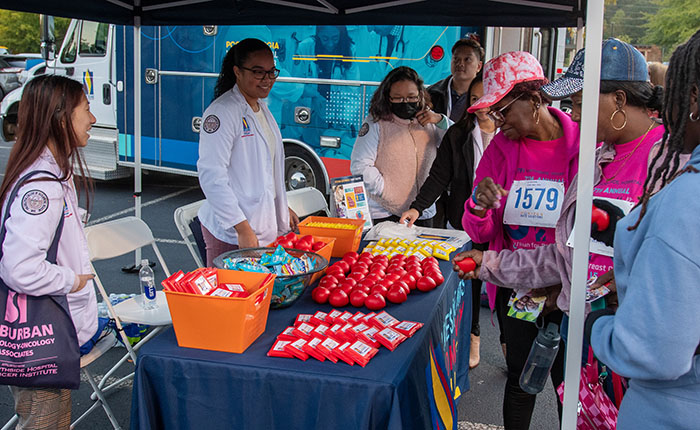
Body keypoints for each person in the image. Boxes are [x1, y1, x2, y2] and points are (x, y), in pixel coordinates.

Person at [459, 51, 581, 429]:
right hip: (516, 286)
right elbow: (479, 232)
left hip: (568, 287)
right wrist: (479, 209)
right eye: (491, 113)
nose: (496, 121)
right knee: (522, 380)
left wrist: (559, 283)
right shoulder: (499, 151)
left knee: (569, 385)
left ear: (533, 99)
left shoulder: (582, 148)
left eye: (502, 110)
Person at [586, 30, 700, 429]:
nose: (575, 113)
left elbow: (654, 350)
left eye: (583, 101)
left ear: (694, 98)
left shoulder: (682, 192)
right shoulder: (594, 157)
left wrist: (600, 328)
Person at [0, 75, 98, 429]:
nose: (93, 119)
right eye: (86, 109)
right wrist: (72, 280)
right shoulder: (42, 185)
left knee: (56, 421)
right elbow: (19, 268)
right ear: (60, 119)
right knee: (44, 422)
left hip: (54, 330)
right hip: (43, 332)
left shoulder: (55, 172)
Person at [399, 75, 496, 368]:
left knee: (506, 289)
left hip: (505, 226)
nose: (481, 105)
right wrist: (417, 208)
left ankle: (509, 344)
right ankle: (472, 337)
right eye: (475, 98)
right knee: (470, 282)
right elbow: (439, 176)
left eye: (487, 97)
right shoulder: (459, 134)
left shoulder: (511, 131)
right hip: (466, 220)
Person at [197, 38, 297, 266]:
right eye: (258, 72)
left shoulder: (260, 107)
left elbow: (264, 169)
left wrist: (281, 207)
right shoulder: (222, 112)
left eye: (272, 72)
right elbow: (212, 175)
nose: (268, 79)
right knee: (231, 295)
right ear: (237, 72)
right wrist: (241, 227)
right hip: (232, 230)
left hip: (259, 223)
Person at [350, 66, 452, 226]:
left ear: (420, 95)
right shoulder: (376, 122)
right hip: (384, 212)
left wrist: (440, 120)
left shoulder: (428, 120)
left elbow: (456, 142)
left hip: (423, 211)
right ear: (387, 97)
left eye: (411, 97)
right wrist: (386, 190)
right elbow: (360, 165)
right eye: (397, 98)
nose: (405, 103)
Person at [428, 37, 485, 122]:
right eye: (456, 59)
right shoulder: (432, 93)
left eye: (467, 59)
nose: (460, 64)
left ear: (479, 66)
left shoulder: (486, 96)